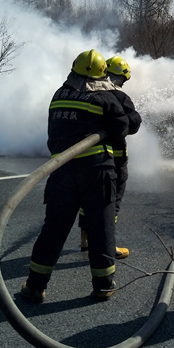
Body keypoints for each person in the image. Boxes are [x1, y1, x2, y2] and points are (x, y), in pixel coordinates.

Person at [20, 49, 129, 304]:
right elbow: (123, 127)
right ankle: (103, 286)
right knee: (101, 229)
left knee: (53, 230)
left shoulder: (58, 95)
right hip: (96, 171)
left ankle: (35, 286)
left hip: (61, 170)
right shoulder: (104, 97)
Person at [78, 55, 142, 259]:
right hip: (114, 158)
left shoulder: (86, 92)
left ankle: (85, 238)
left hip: (87, 158)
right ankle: (108, 245)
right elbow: (133, 124)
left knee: (87, 199)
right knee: (111, 202)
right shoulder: (119, 96)